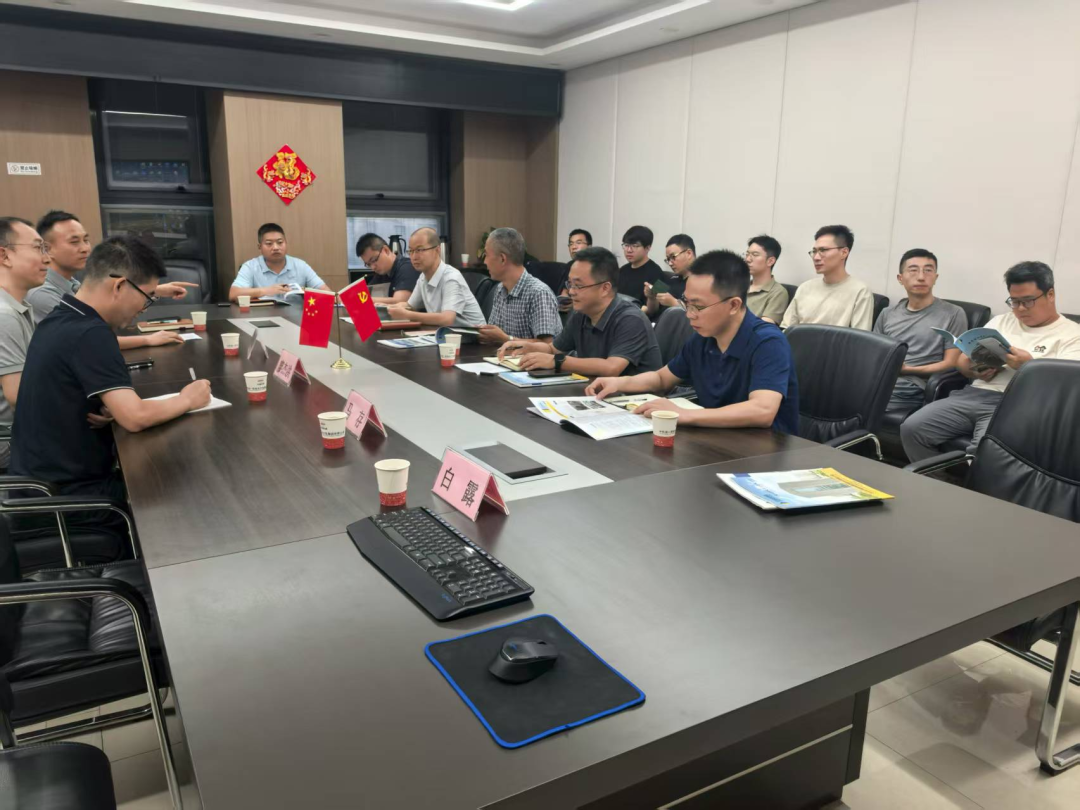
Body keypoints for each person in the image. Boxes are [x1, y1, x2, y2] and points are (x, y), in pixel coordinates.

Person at [11, 236, 211, 501]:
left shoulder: (60, 317)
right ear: (119, 286)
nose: (143, 308)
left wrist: (114, 409)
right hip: (68, 498)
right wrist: (188, 399)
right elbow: (135, 417)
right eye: (147, 297)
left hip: (38, 485)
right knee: (191, 490)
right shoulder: (91, 333)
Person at [586, 250, 799, 433]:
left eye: (697, 306)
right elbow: (662, 378)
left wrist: (684, 414)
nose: (689, 314)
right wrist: (619, 383)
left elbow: (762, 411)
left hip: (764, 451)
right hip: (716, 438)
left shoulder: (768, 342)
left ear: (734, 305)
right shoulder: (703, 338)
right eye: (687, 303)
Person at [901, 261, 1080, 461]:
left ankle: (974, 482)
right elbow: (962, 363)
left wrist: (1028, 367)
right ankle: (936, 479)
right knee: (912, 429)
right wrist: (973, 369)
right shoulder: (1001, 321)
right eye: (1014, 301)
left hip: (1019, 404)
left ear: (1050, 294)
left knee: (984, 453)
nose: (1020, 309)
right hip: (973, 395)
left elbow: (1067, 390)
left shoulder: (1072, 335)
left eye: (1028, 301)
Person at [29, 210, 195, 349]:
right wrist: (148, 339)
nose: (85, 248)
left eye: (86, 240)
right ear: (47, 249)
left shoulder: (71, 283)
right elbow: (90, 340)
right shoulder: (42, 294)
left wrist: (154, 290)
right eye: (74, 242)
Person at [497, 246, 661, 376]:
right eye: (570, 284)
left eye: (578, 285)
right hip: (595, 393)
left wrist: (557, 361)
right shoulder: (580, 313)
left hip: (635, 401)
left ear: (605, 288)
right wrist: (527, 347)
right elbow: (554, 349)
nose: (571, 292)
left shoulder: (631, 319)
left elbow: (611, 368)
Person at [874, 249, 966, 422]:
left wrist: (908, 370)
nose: (921, 277)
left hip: (912, 387)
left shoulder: (953, 313)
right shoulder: (887, 314)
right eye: (913, 270)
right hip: (881, 380)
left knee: (849, 403)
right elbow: (875, 355)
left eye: (928, 270)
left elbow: (951, 363)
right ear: (900, 278)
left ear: (936, 277)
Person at [0, 218, 48, 467]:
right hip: (9, 443)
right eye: (38, 248)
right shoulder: (4, 315)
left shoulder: (18, 307)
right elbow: (19, 397)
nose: (46, 259)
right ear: (4, 256)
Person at [386, 227, 485, 328]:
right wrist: (387, 308)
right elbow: (410, 306)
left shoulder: (451, 278)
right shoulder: (423, 277)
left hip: (475, 335)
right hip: (447, 334)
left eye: (419, 250)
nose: (414, 257)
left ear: (437, 250)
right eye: (411, 251)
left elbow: (447, 319)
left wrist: (407, 315)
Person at [477, 228, 561, 345]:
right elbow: (496, 337)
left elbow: (547, 345)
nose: (484, 262)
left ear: (502, 259)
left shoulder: (539, 293)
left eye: (486, 255)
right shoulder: (500, 289)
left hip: (534, 358)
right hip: (504, 355)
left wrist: (506, 339)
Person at [781, 225, 873, 331]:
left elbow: (860, 337)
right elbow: (786, 329)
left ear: (844, 252)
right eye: (814, 251)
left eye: (823, 250)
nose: (816, 257)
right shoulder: (805, 288)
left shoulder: (860, 291)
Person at [230, 223, 330, 302]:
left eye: (280, 242)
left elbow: (328, 293)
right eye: (269, 243)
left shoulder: (300, 265)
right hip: (263, 318)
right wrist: (265, 291)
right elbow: (233, 294)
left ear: (286, 243)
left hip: (296, 319)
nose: (275, 247)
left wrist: (307, 292)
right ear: (259, 247)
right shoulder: (250, 266)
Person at [356, 232, 420, 306]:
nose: (373, 267)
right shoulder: (382, 273)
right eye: (368, 264)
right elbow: (364, 294)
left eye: (374, 260)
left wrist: (365, 300)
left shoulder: (407, 267)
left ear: (386, 250)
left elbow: (400, 302)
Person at [644, 234, 695, 320]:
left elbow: (699, 315)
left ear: (689, 254)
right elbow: (652, 312)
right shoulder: (667, 278)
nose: (670, 263)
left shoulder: (703, 282)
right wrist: (651, 298)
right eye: (668, 259)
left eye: (673, 257)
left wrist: (674, 303)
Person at [744, 235, 789, 324]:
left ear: (770, 261)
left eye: (755, 255)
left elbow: (764, 327)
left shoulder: (777, 292)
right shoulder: (738, 286)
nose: (748, 259)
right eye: (747, 254)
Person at [618, 225, 666, 305]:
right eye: (626, 245)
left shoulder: (658, 273)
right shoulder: (622, 270)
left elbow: (660, 307)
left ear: (647, 248)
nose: (629, 250)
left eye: (635, 246)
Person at [558, 228, 593, 312]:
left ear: (589, 247)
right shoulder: (569, 266)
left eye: (578, 243)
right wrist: (563, 301)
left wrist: (576, 304)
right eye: (571, 244)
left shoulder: (596, 267)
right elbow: (565, 291)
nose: (574, 247)